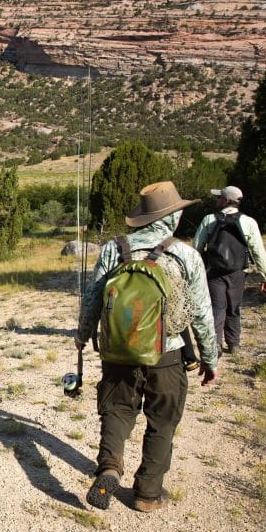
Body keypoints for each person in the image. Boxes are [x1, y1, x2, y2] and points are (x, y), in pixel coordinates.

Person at [75, 182, 218, 512]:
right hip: (166, 353)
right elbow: (201, 314)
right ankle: (147, 493)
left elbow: (94, 299)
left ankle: (109, 467)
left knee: (116, 410)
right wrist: (209, 358)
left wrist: (82, 337)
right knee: (162, 420)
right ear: (174, 217)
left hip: (119, 349)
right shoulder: (185, 256)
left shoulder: (115, 248)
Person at [191, 186, 266, 355]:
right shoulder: (249, 221)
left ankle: (216, 345)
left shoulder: (208, 219)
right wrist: (265, 276)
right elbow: (258, 250)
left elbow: (197, 247)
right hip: (238, 272)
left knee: (217, 308)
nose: (217, 200)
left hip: (214, 272)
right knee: (234, 308)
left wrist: (195, 271)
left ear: (227, 200)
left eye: (220, 197)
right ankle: (234, 344)